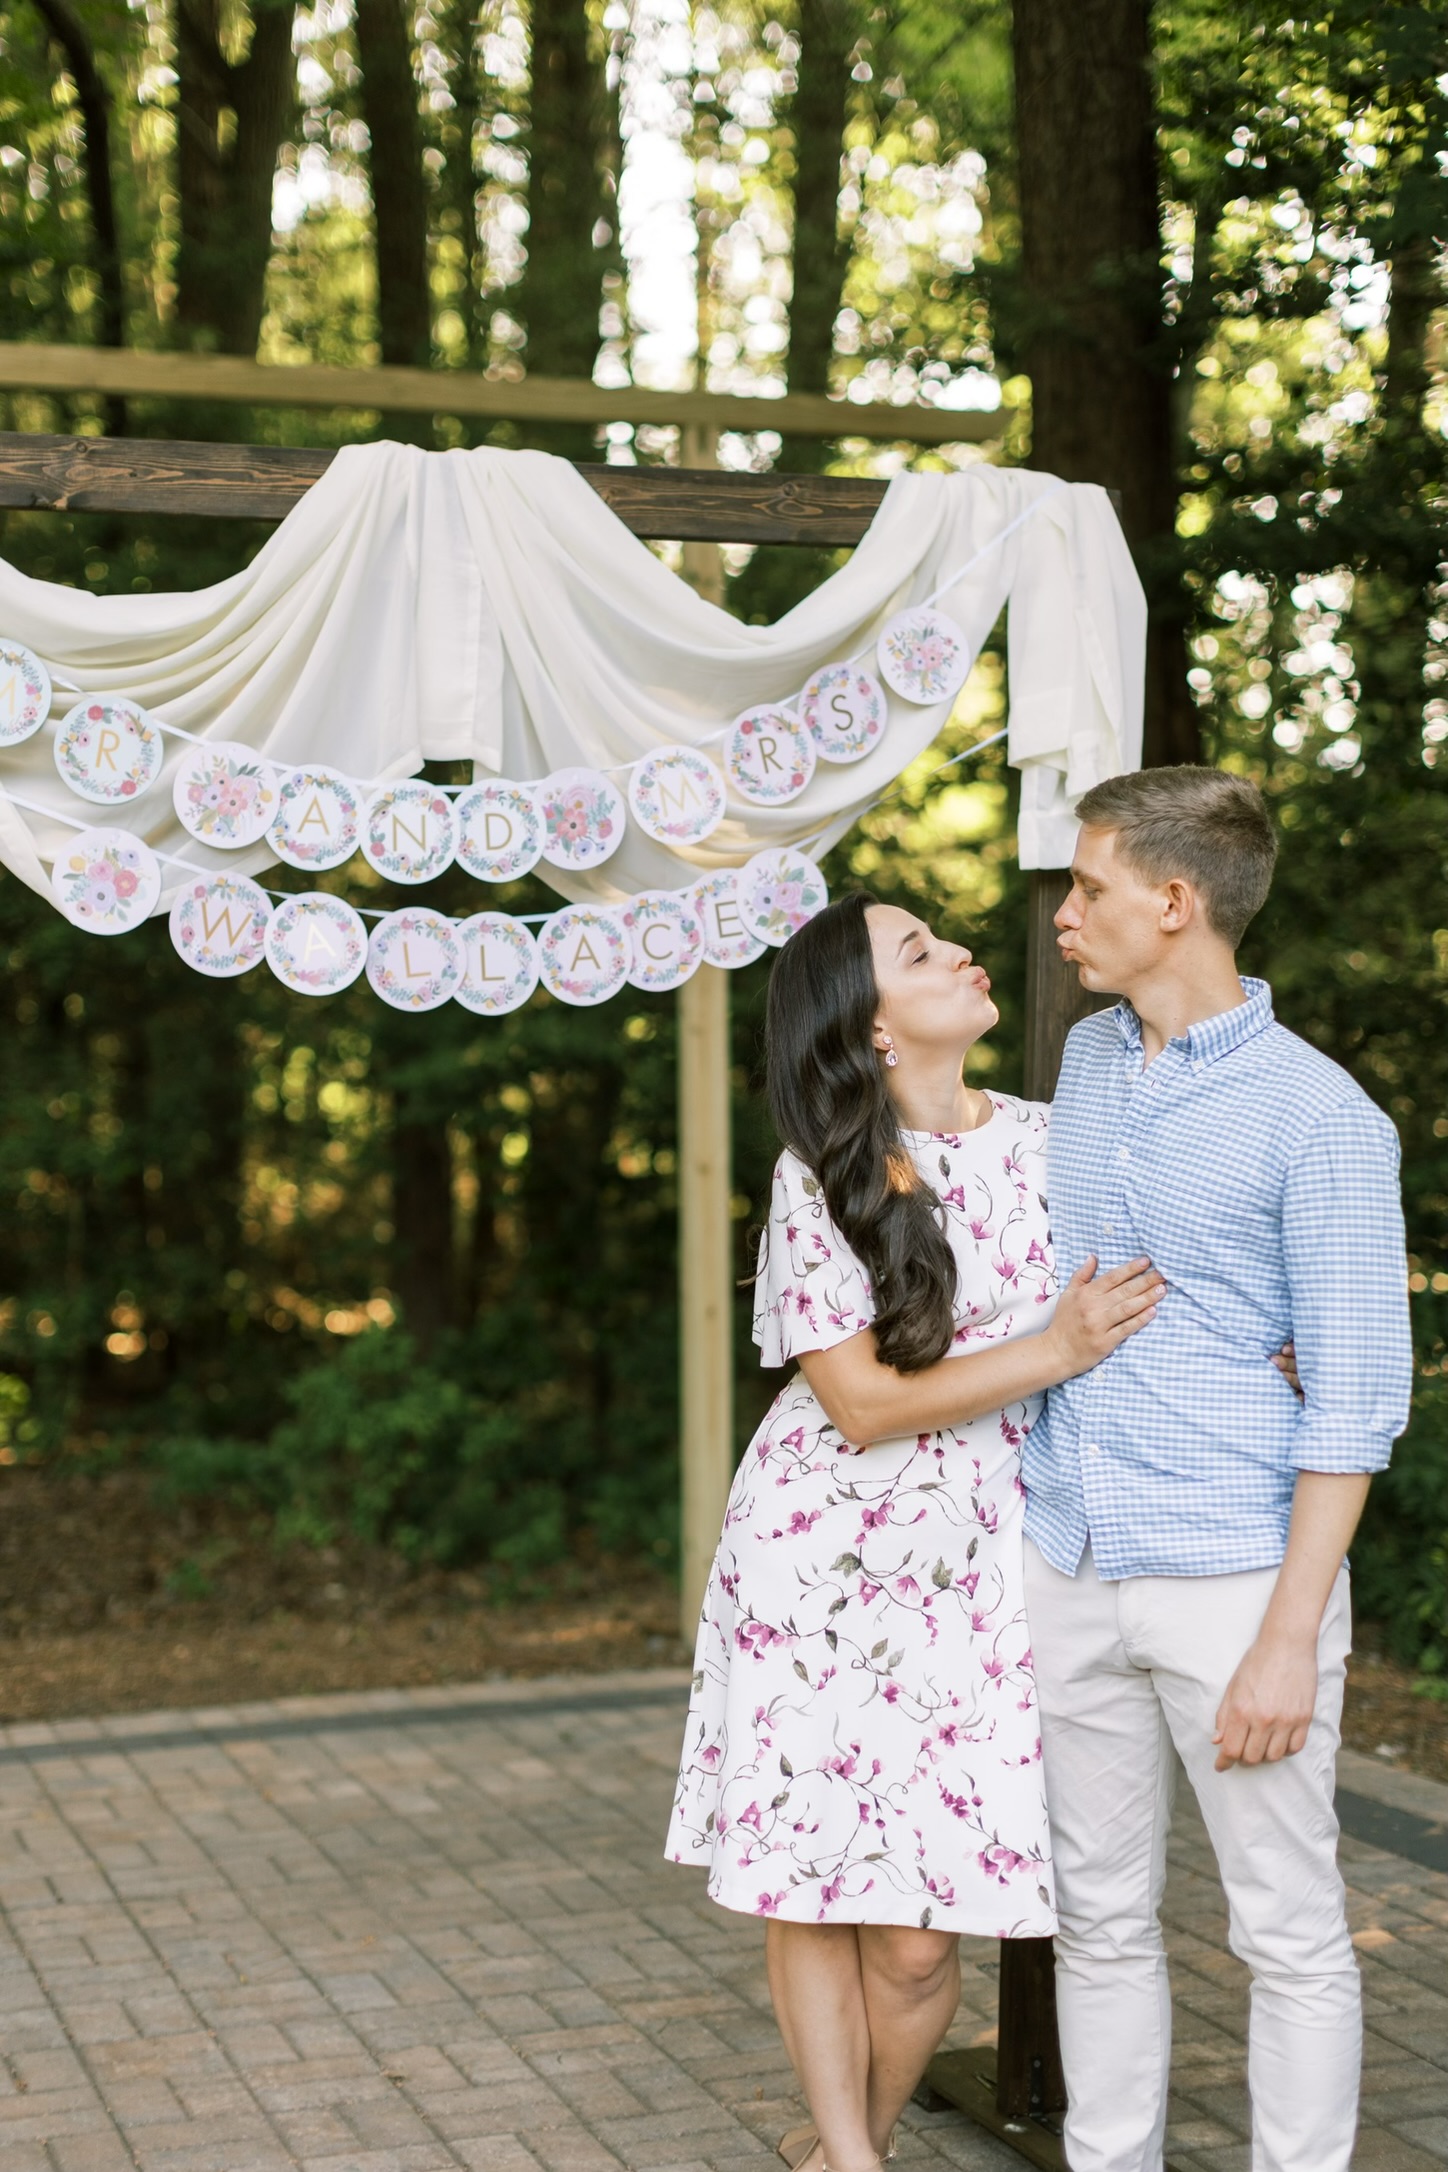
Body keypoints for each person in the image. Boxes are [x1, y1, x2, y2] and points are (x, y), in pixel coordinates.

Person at [666, 891, 1165, 2172]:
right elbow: (861, 1403)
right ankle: (857, 2160)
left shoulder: (1062, 1141)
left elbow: (1169, 1279)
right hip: (816, 1560)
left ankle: (845, 2144)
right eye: (918, 952)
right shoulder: (818, 1176)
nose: (959, 955)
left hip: (988, 1569)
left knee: (919, 1935)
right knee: (808, 1876)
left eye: (942, 938)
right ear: (871, 1026)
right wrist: (1047, 1349)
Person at [1023, 765, 1412, 2172]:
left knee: (1290, 1930)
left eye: (1089, 889)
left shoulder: (1325, 1121)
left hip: (1237, 1580)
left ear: (1175, 903)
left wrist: (1289, 1642)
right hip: (1066, 1550)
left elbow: (1357, 1397)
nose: (1065, 916)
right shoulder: (1081, 1064)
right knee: (1098, 1918)